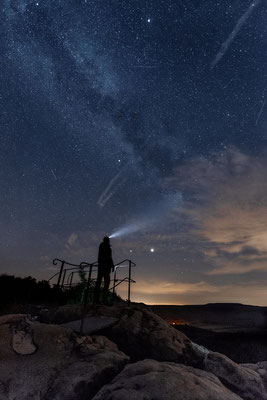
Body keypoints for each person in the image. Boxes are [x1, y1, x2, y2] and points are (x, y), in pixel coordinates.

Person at [94, 236, 114, 304]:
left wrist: (112, 265)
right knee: (101, 282)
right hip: (103, 267)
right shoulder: (103, 246)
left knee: (104, 283)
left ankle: (101, 299)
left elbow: (109, 257)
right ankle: (98, 299)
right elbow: (107, 257)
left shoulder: (106, 247)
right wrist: (111, 265)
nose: (109, 241)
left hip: (105, 267)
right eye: (108, 240)